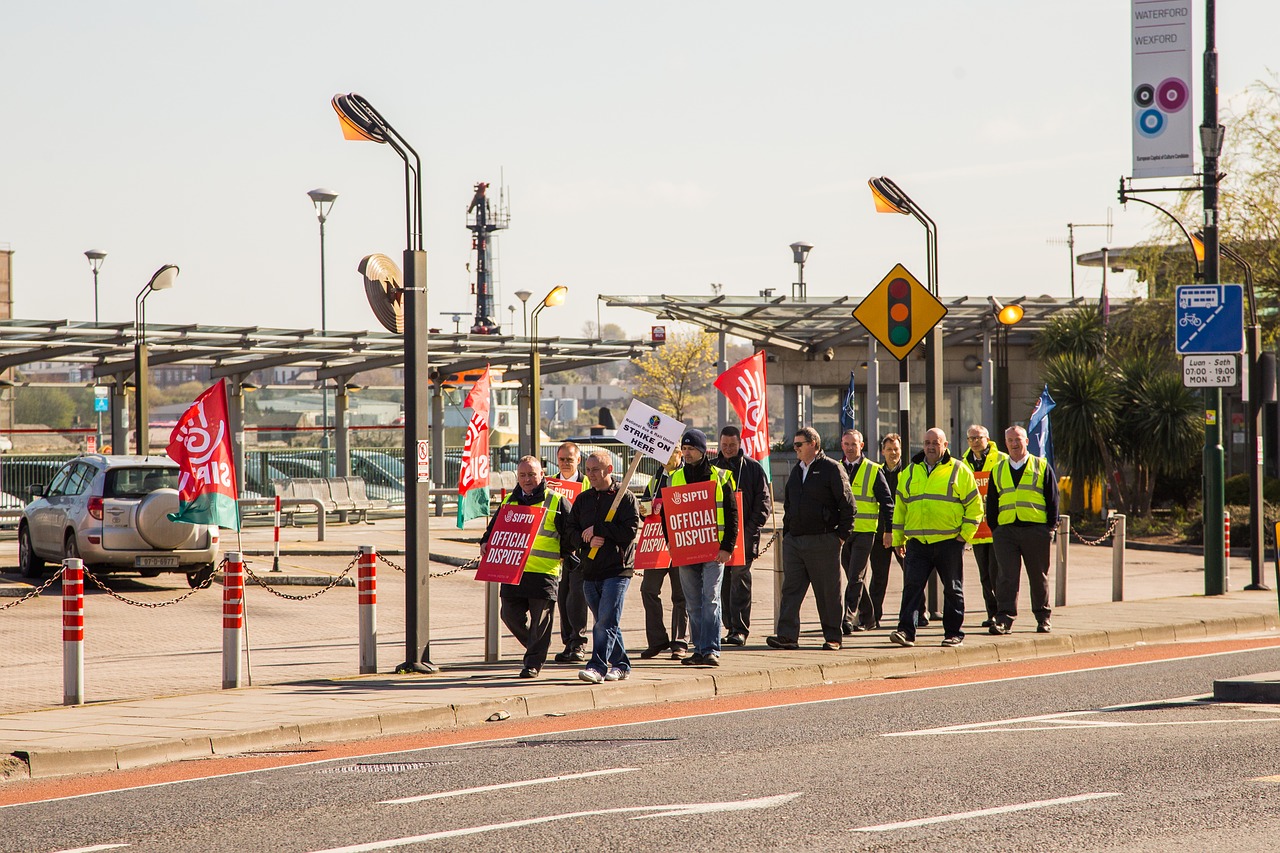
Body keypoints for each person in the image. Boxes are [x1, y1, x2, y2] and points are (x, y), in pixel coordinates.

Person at [889, 428, 983, 649]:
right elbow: (900, 508)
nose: (930, 446)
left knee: (952, 588)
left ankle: (953, 633)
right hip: (917, 543)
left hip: (949, 542)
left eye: (935, 442)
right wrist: (898, 539)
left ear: (945, 444)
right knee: (912, 588)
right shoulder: (911, 471)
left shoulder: (959, 470)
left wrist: (964, 536)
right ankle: (906, 631)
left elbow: (975, 507)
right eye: (927, 442)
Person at [479, 456, 571, 679]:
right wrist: (485, 542)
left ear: (542, 475)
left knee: (540, 623)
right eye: (523, 475)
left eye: (532, 474)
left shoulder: (556, 501)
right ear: (517, 477)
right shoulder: (509, 501)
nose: (527, 479)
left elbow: (570, 534)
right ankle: (536, 648)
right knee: (509, 615)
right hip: (513, 571)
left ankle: (533, 663)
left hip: (544, 572)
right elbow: (493, 529)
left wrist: (567, 554)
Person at [767, 426, 854, 651]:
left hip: (823, 540)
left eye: (799, 445)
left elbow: (848, 506)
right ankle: (787, 636)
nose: (795, 448)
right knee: (791, 591)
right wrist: (788, 534)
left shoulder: (832, 469)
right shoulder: (797, 471)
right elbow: (788, 505)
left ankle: (833, 637)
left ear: (814, 444)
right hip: (795, 541)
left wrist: (840, 537)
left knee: (827, 593)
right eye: (794, 444)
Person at [662, 429, 738, 667]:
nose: (686, 453)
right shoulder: (675, 478)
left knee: (711, 599)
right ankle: (699, 649)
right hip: (685, 549)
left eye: (691, 449)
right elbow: (667, 515)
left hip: (714, 550)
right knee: (693, 603)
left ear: (703, 450)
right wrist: (671, 545)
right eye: (684, 449)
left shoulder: (721, 476)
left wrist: (728, 547)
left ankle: (712, 650)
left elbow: (732, 513)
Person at [567, 450, 642, 683]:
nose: (591, 475)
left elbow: (629, 532)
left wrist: (599, 530)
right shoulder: (583, 500)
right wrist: (583, 538)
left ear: (609, 470)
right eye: (588, 470)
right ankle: (621, 665)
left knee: (605, 621)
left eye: (595, 470)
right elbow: (570, 531)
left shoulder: (625, 497)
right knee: (605, 621)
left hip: (617, 571)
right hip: (589, 570)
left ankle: (597, 667)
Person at [987, 425, 1059, 635]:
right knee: (1006, 577)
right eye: (1010, 440)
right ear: (1005, 443)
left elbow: (1053, 498)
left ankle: (1043, 618)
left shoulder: (1041, 465)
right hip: (1006, 532)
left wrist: (1049, 528)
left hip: (1035, 531)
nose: (1014, 443)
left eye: (1018, 439)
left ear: (1027, 441)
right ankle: (1004, 619)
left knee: (1038, 577)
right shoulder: (998, 469)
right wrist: (996, 528)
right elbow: (992, 502)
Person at [712, 424, 770, 646]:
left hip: (744, 538)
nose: (728, 449)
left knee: (739, 582)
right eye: (724, 445)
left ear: (740, 444)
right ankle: (729, 627)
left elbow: (763, 504)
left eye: (732, 445)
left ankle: (740, 629)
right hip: (718, 538)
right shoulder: (712, 467)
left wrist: (749, 530)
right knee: (722, 583)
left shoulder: (754, 469)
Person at [837, 429, 893, 634]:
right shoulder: (837, 468)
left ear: (862, 446)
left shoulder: (873, 469)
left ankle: (848, 617)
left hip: (866, 532)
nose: (850, 448)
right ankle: (869, 617)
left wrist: (889, 530)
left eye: (854, 444)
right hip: (843, 533)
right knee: (854, 576)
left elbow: (887, 503)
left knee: (855, 576)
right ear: (842, 445)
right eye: (846, 444)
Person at [638, 464, 690, 661]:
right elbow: (645, 505)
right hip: (657, 543)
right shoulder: (657, 477)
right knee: (648, 590)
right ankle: (657, 640)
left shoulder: (686, 474)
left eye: (672, 451)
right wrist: (644, 509)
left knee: (680, 595)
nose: (666, 457)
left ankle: (680, 643)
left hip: (679, 542)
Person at [962, 425, 1006, 629]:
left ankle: (1001, 613)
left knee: (997, 572)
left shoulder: (1001, 459)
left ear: (987, 438)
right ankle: (991, 613)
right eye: (971, 438)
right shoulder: (963, 463)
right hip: (977, 530)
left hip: (997, 527)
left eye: (978, 438)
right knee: (985, 575)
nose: (974, 442)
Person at [551, 441, 589, 664]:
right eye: (562, 459)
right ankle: (568, 643)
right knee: (562, 597)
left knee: (577, 597)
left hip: (580, 552)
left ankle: (578, 643)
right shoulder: (549, 485)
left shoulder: (586, 484)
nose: (565, 463)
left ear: (578, 460)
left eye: (570, 459)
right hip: (556, 551)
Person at [865, 433, 905, 629]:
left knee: (912, 574)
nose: (893, 453)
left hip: (903, 533)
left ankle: (918, 613)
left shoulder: (908, 472)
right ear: (882, 451)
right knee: (879, 576)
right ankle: (874, 616)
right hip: (881, 533)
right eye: (889, 449)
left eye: (896, 449)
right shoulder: (876, 472)